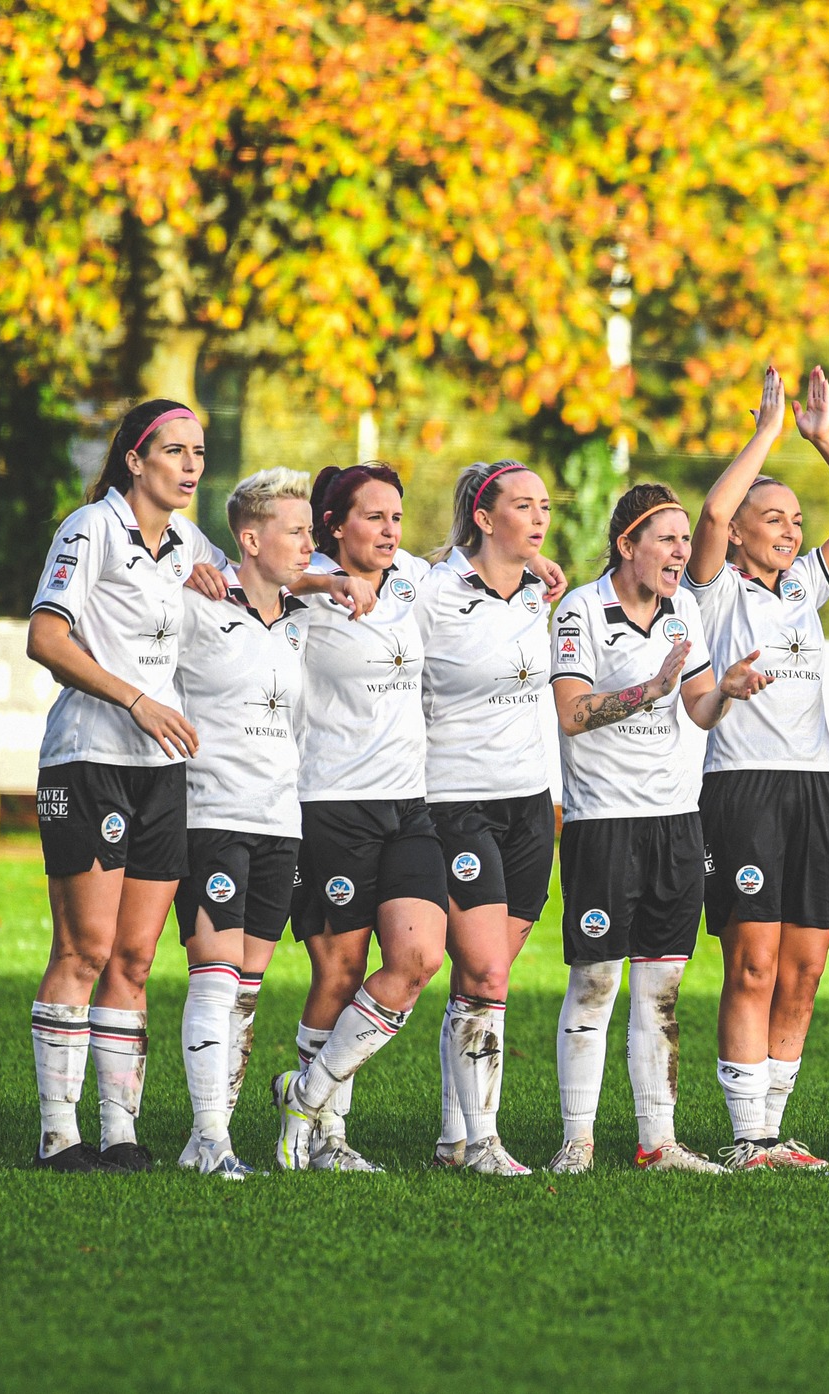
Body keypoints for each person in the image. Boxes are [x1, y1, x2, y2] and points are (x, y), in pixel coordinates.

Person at [687, 367, 829, 1170]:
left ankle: (773, 1131)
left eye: (795, 518)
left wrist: (822, 438)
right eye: (770, 518)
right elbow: (710, 510)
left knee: (806, 965)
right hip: (743, 787)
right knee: (754, 960)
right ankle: (748, 1136)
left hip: (816, 787)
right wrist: (767, 436)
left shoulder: (804, 586)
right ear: (739, 534)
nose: (787, 529)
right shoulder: (708, 592)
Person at [24, 401, 232, 1171]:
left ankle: (119, 1134)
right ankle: (59, 1135)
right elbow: (44, 636)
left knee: (136, 957)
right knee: (86, 946)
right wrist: (138, 699)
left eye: (199, 453)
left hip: (160, 774)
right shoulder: (90, 530)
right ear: (134, 460)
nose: (189, 466)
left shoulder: (187, 544)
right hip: (89, 759)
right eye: (173, 451)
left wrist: (321, 578)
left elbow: (251, 582)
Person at [546, 483, 767, 1175]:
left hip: (676, 820)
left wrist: (723, 693)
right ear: (627, 546)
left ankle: (657, 1142)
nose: (681, 551)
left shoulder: (683, 613)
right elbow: (572, 713)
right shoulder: (582, 608)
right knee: (594, 982)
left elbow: (696, 707)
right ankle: (576, 1141)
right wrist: (649, 689)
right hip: (603, 821)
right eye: (667, 538)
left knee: (662, 989)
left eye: (683, 538)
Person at [356, 460, 556, 1176]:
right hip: (456, 800)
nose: (538, 519)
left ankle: (454, 1140)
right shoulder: (431, 590)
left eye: (544, 507)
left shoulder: (540, 592)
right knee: (487, 973)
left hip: (532, 803)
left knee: (484, 980)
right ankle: (485, 1143)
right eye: (523, 506)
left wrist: (540, 569)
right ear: (483, 516)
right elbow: (364, 567)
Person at [273, 464, 446, 1171]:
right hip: (329, 803)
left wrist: (534, 564)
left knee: (417, 958)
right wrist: (324, 582)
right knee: (339, 974)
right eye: (373, 517)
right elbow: (241, 573)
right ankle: (329, 1142)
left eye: (396, 517)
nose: (389, 530)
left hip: (408, 805)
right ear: (334, 525)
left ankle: (305, 1095)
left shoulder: (411, 576)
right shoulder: (302, 584)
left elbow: (469, 565)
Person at [171, 469, 316, 1177]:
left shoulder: (299, 621)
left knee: (248, 991)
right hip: (211, 815)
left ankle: (211, 1137)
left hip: (278, 821)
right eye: (296, 530)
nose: (309, 544)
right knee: (216, 977)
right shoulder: (195, 603)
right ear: (251, 538)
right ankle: (211, 1144)